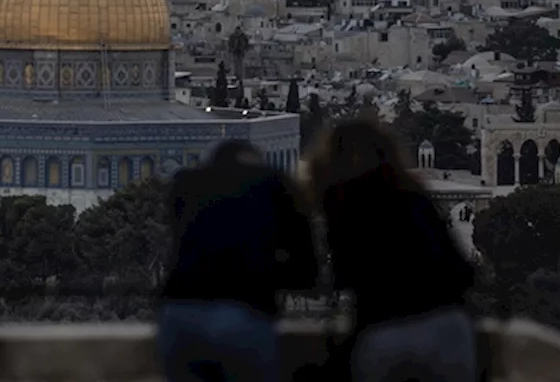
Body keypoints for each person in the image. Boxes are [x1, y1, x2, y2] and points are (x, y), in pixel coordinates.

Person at [304, 119, 477, 382]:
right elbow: (462, 272)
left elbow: (342, 277)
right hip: (448, 330)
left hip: (385, 332)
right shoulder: (415, 195)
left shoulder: (342, 202)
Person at [158, 139, 319, 382]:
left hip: (180, 316)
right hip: (243, 315)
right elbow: (305, 268)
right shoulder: (273, 183)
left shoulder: (186, 183)